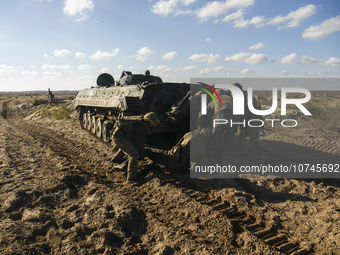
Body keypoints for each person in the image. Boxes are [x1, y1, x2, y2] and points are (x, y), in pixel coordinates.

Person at [111, 112, 160, 183]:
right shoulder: (142, 127)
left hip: (119, 134)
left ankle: (116, 159)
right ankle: (131, 178)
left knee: (129, 147)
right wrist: (142, 155)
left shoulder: (140, 120)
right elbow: (138, 144)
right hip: (119, 137)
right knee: (134, 155)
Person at [232, 82, 277, 157]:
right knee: (241, 138)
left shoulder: (243, 97)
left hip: (253, 121)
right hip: (251, 120)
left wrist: (242, 124)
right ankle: (244, 155)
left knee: (254, 142)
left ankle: (272, 152)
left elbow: (245, 112)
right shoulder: (246, 95)